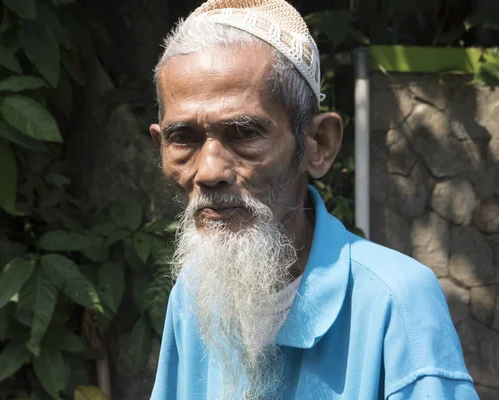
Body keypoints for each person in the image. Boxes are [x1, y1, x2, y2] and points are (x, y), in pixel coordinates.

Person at [148, 0, 478, 398]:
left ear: (318, 144)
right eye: (183, 138)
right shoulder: (195, 290)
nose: (209, 171)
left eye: (244, 133)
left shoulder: (396, 302)